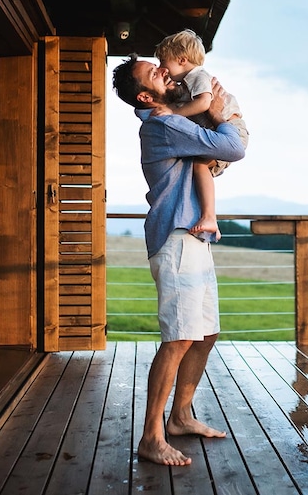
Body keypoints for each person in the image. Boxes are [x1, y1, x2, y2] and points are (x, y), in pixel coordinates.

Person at [111, 54, 246, 466]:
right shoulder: (164, 123)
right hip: (177, 238)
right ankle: (152, 436)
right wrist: (221, 113)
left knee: (205, 334)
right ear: (145, 95)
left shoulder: (171, 119)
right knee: (179, 338)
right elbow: (233, 147)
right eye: (155, 72)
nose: (165, 71)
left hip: (193, 237)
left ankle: (181, 417)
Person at [154, 29, 249, 240]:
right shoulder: (185, 84)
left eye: (163, 62)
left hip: (232, 128)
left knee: (199, 166)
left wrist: (173, 113)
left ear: (182, 59)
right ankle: (207, 218)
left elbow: (205, 103)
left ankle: (209, 217)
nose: (162, 68)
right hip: (220, 130)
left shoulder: (198, 76)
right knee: (198, 168)